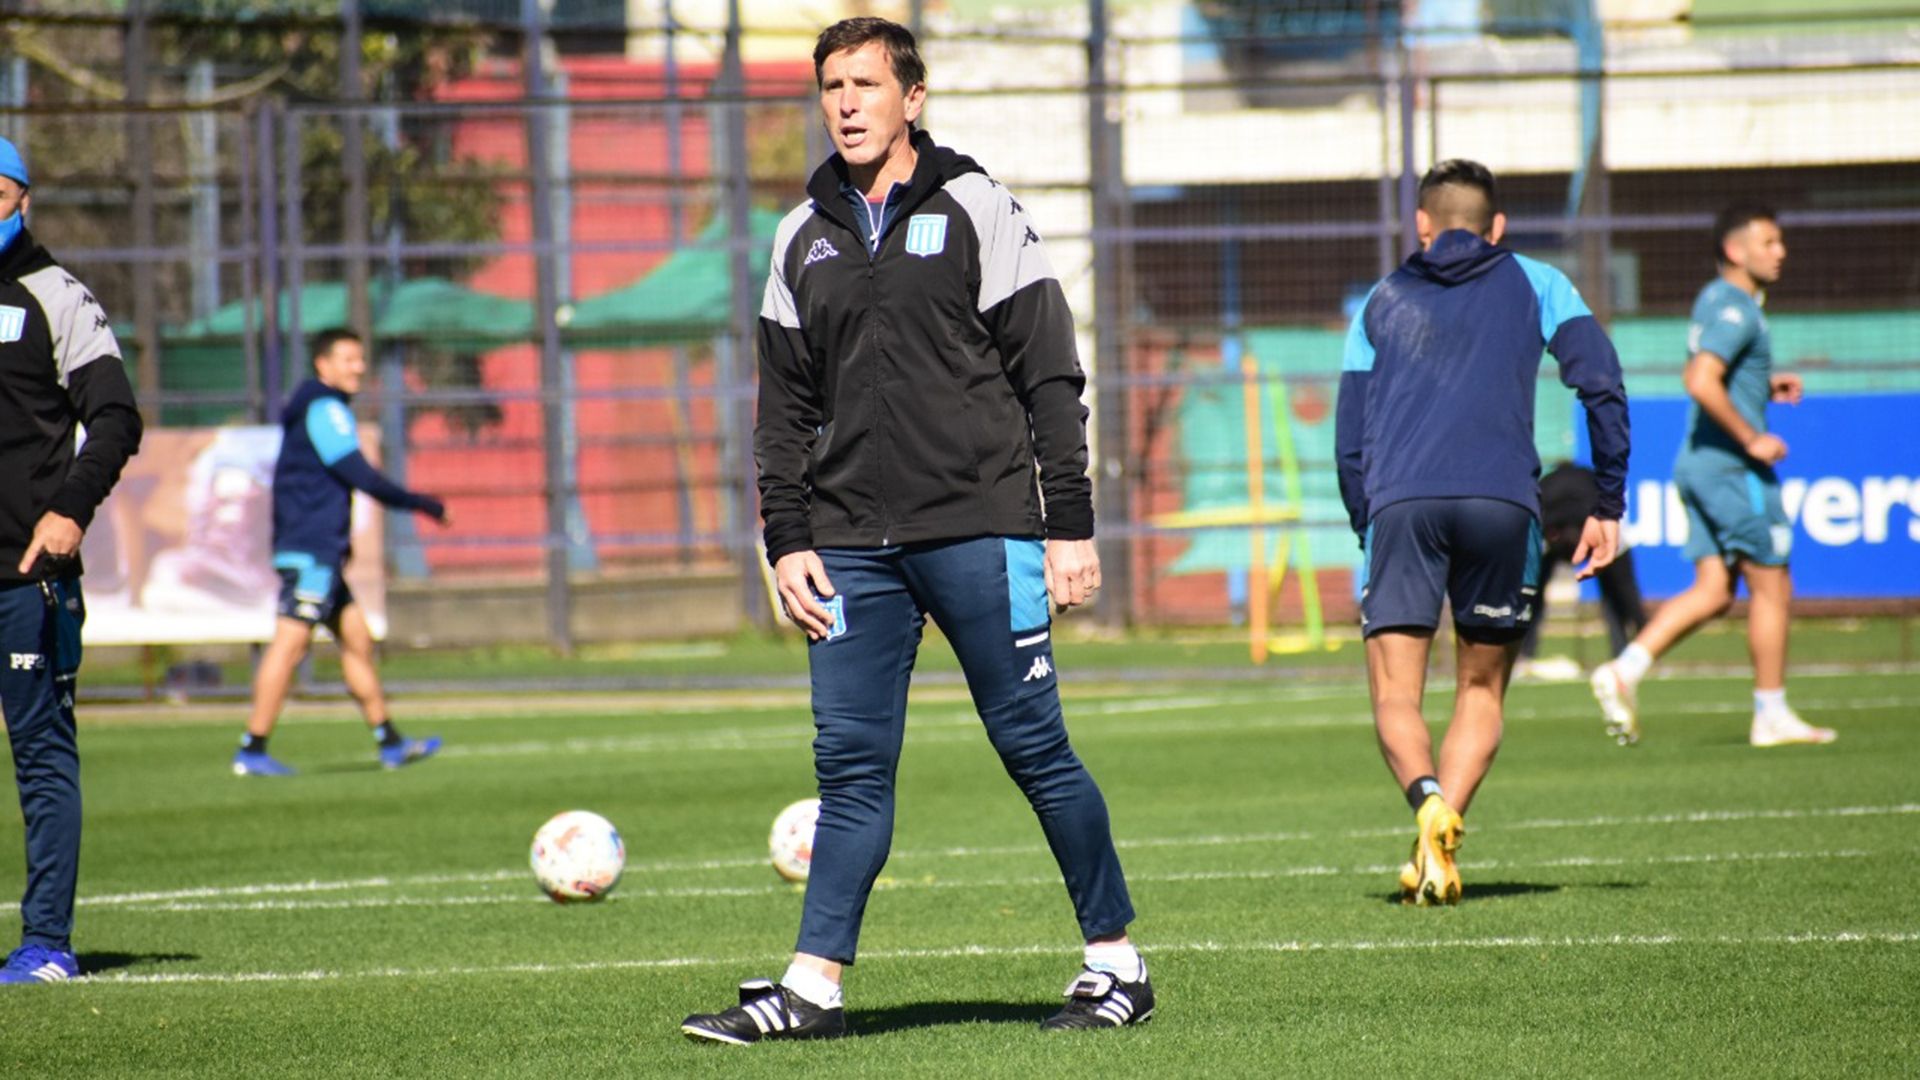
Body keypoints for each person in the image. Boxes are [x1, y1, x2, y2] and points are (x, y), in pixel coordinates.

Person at [680, 18, 1149, 1043]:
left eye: (865, 84)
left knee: (1035, 749)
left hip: (982, 529)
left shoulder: (979, 205)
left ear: (913, 98)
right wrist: (786, 539)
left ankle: (1116, 962)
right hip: (848, 546)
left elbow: (1050, 375)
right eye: (831, 86)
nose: (845, 102)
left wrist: (1068, 524)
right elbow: (781, 413)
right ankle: (811, 990)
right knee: (849, 772)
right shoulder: (798, 235)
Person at [1336, 160, 1629, 906]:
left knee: (1396, 693)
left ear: (1422, 226)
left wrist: (1367, 521)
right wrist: (1608, 499)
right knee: (1481, 687)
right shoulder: (1537, 282)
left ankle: (1426, 800)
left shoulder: (1379, 299)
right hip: (1505, 504)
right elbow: (1600, 379)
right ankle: (1445, 826)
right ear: (1497, 228)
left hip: (1403, 504)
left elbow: (1350, 441)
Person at [1589, 206, 1834, 749]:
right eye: (1769, 242)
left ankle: (1623, 670)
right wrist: (1751, 438)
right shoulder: (1738, 307)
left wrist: (1764, 386)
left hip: (1698, 462)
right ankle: (1770, 713)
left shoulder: (1715, 300)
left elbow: (1716, 372)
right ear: (1735, 250)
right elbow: (1701, 379)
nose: (1781, 252)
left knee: (1714, 589)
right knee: (1773, 583)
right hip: (1730, 466)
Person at [0, 136, 144, 983]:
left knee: (40, 754)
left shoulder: (57, 294)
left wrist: (67, 510)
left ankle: (47, 941)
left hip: (26, 576)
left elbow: (117, 418)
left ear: (22, 197)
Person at [233, 328, 447, 776]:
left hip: (319, 549)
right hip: (312, 549)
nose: (359, 367)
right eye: (349, 358)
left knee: (357, 641)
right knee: (290, 644)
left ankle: (390, 742)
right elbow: (359, 474)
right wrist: (421, 503)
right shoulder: (324, 407)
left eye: (361, 358)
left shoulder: (319, 406)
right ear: (323, 364)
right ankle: (252, 749)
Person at [1515, 462, 1647, 680]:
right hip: (1565, 528)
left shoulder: (1555, 492)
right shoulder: (1551, 505)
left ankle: (1632, 651)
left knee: (1619, 592)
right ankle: (1637, 652)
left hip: (1586, 527)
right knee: (1620, 594)